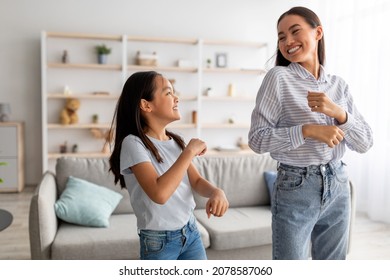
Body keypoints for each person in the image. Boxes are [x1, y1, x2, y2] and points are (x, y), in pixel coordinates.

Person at [248, 6, 373, 260]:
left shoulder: (339, 85)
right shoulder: (278, 78)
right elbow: (257, 139)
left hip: (338, 183)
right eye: (281, 37)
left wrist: (339, 113)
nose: (288, 42)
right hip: (296, 186)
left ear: (318, 33)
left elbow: (365, 142)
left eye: (295, 32)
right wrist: (307, 130)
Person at [109, 71, 229, 260]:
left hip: (190, 231)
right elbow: (159, 193)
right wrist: (188, 152)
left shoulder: (175, 141)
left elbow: (196, 181)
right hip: (159, 242)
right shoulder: (133, 144)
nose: (176, 98)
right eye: (168, 93)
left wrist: (216, 192)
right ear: (146, 105)